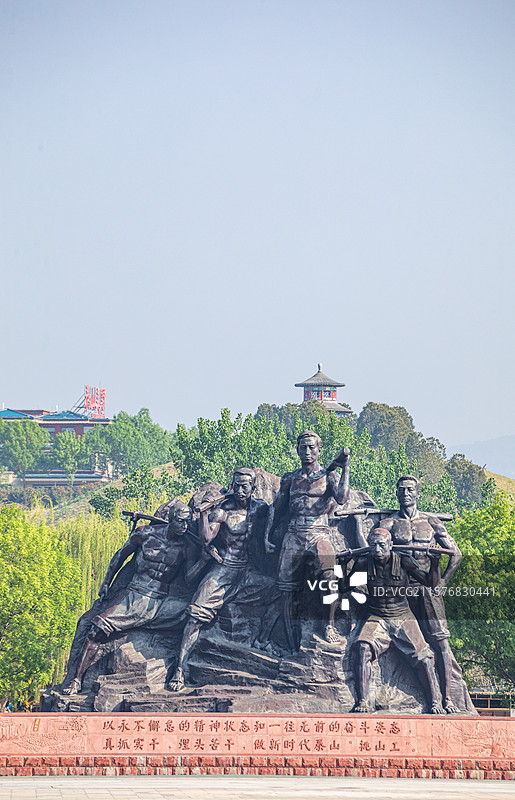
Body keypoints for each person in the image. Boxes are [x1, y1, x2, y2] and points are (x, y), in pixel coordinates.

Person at [62, 500, 207, 695]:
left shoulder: (187, 547)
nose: (185, 526)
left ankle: (179, 672)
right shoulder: (145, 533)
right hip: (134, 595)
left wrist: (204, 560)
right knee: (95, 630)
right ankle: (76, 681)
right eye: (181, 521)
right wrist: (106, 583)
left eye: (188, 522)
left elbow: (189, 579)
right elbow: (120, 556)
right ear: (171, 519)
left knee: (195, 616)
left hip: (161, 601)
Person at [167, 468, 271, 692]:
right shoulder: (222, 512)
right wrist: (205, 513)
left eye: (245, 486)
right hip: (224, 570)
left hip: (247, 571)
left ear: (253, 487)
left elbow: (276, 517)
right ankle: (179, 668)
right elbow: (206, 538)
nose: (240, 490)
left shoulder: (260, 508)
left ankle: (264, 641)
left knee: (280, 590)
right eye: (236, 485)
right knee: (195, 615)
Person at [377, 475, 462, 713]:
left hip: (428, 589)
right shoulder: (389, 523)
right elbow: (373, 548)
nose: (405, 493)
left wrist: (443, 582)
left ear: (417, 493)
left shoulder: (431, 522)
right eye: (401, 489)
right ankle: (420, 696)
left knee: (441, 642)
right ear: (396, 493)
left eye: (410, 489)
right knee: (409, 643)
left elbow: (455, 554)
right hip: (400, 590)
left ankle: (448, 699)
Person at [264, 431, 351, 649]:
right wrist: (267, 536)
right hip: (293, 533)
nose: (307, 451)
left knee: (330, 578)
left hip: (319, 531)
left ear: (319, 450)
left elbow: (341, 498)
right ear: (297, 450)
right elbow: (276, 508)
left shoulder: (329, 476)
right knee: (284, 588)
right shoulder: (290, 478)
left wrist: (346, 467)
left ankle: (328, 625)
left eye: (312, 447)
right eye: (303, 447)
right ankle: (287, 633)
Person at [348, 528, 445, 714]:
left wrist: (435, 562)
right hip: (376, 616)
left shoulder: (404, 561)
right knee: (362, 649)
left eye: (381, 545)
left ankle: (435, 702)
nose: (377, 549)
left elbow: (430, 583)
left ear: (390, 545)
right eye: (373, 544)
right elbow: (345, 585)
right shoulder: (362, 562)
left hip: (402, 616)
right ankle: (363, 701)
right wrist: (345, 564)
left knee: (424, 659)